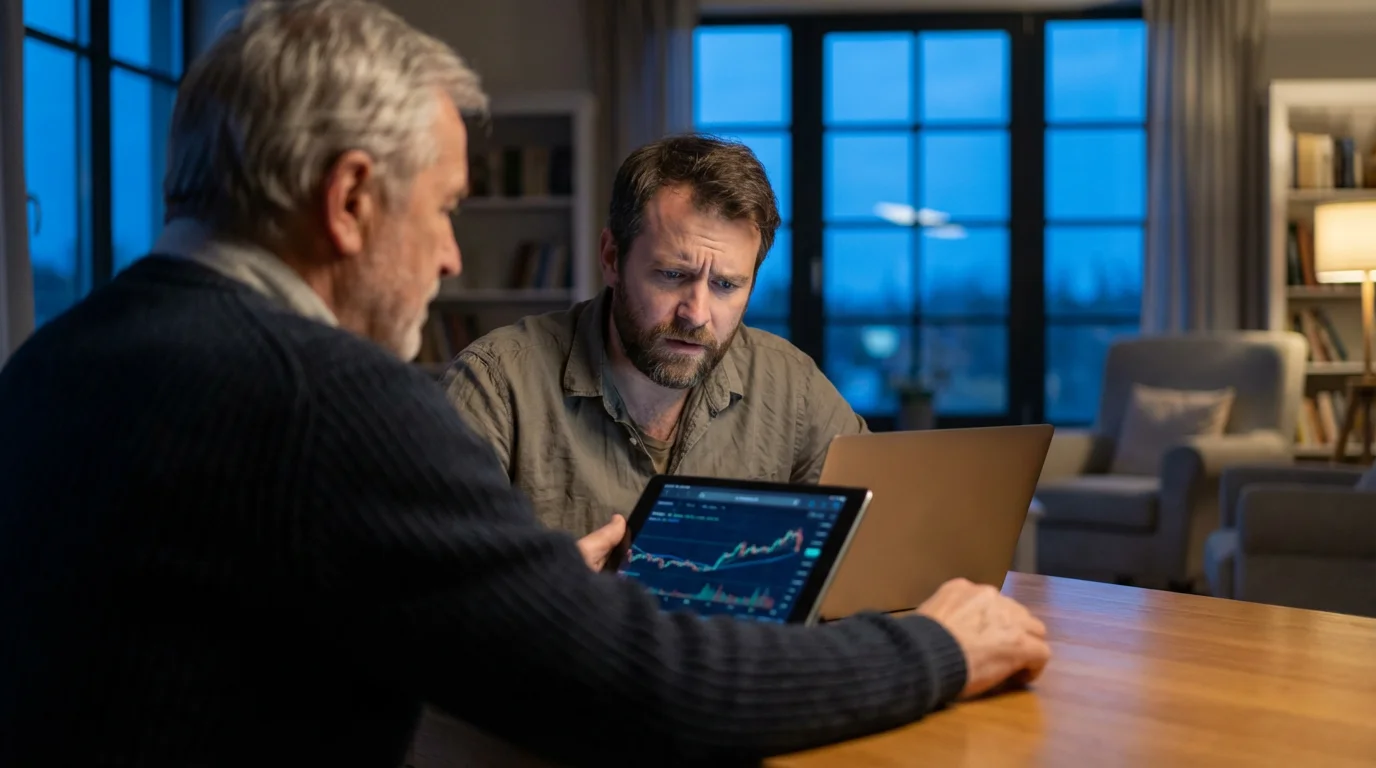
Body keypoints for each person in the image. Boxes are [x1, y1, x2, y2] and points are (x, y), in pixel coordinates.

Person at [0, 2, 1050, 767]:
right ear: (353, 198)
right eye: (445, 206)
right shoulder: (329, 404)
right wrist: (934, 649)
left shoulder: (52, 362)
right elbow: (649, 696)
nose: (454, 256)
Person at [446, 134, 867, 535]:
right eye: (671, 275)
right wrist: (546, 590)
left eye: (726, 285)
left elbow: (878, 532)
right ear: (612, 258)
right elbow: (426, 588)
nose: (696, 315)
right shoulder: (496, 385)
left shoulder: (790, 386)